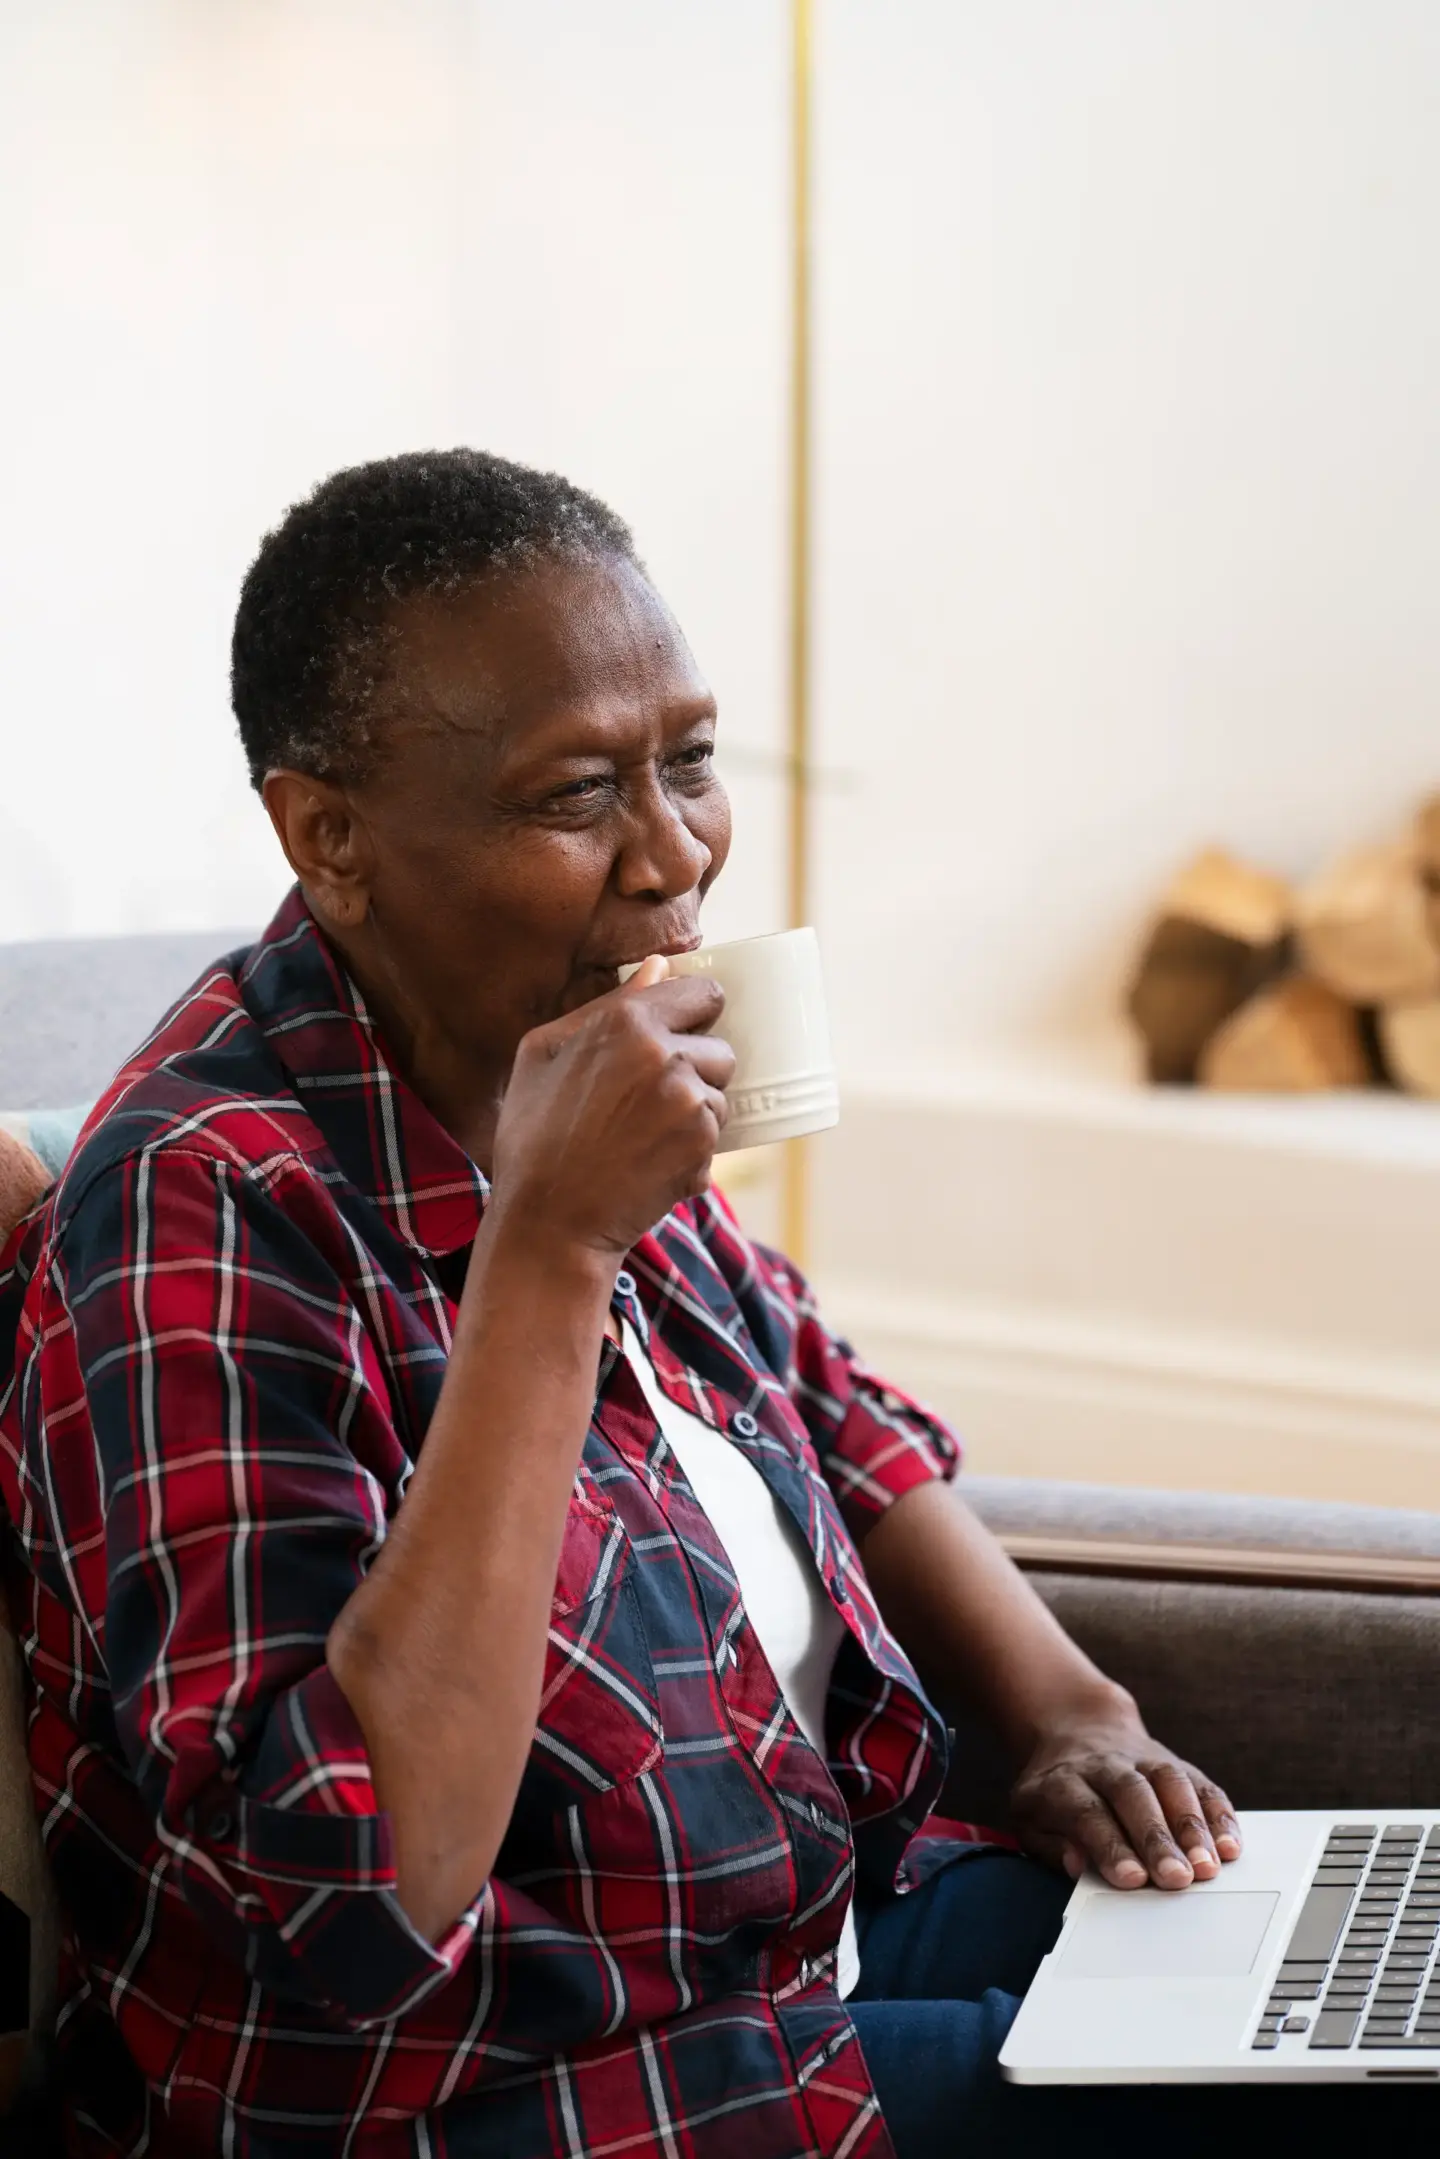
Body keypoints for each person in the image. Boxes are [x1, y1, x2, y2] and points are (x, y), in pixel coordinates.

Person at [0, 453, 1415, 2157]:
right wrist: (549, 1249)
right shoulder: (204, 1202)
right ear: (332, 835)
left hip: (792, 1956)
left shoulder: (558, 1055)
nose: (675, 855)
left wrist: (1066, 1715)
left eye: (690, 762)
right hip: (511, 2093)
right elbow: (362, 1887)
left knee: (1385, 1995)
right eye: (576, 792)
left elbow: (832, 1408)